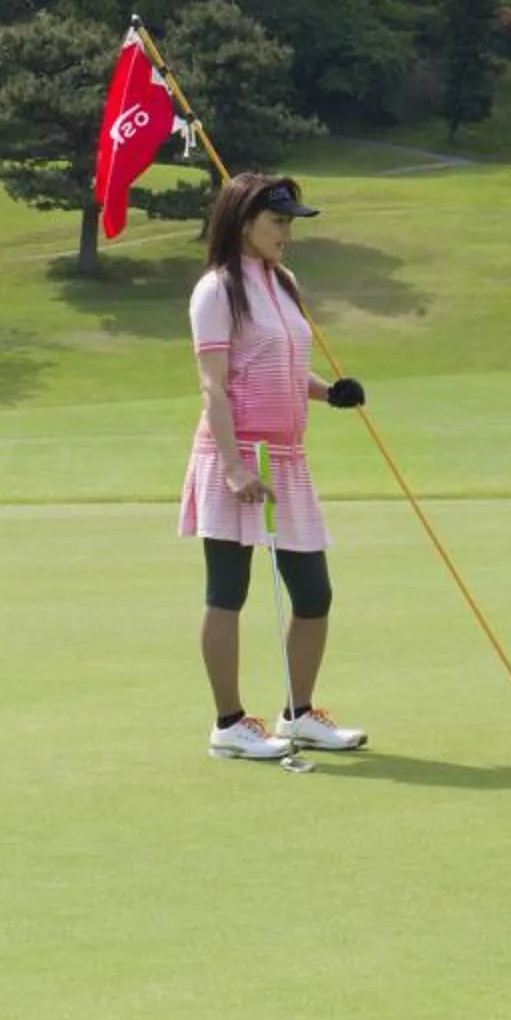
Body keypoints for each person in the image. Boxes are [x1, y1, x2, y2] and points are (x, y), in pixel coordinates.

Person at [179, 171, 373, 759]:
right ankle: (230, 724)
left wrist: (327, 393)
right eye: (279, 221)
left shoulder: (283, 282)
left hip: (287, 460)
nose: (288, 232)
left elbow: (282, 367)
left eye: (291, 221)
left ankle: (298, 714)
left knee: (313, 593)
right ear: (244, 224)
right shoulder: (217, 290)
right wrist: (236, 466)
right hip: (234, 458)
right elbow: (215, 387)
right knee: (228, 592)